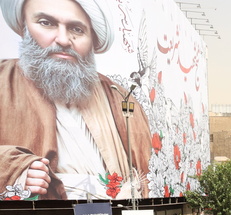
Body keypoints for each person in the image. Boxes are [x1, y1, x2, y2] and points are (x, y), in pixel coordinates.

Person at [0, 0, 152, 201]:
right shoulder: (3, 81)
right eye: (46, 22)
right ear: (24, 26)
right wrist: (13, 169)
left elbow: (143, 173)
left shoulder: (119, 97)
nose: (63, 40)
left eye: (77, 29)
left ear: (92, 39)